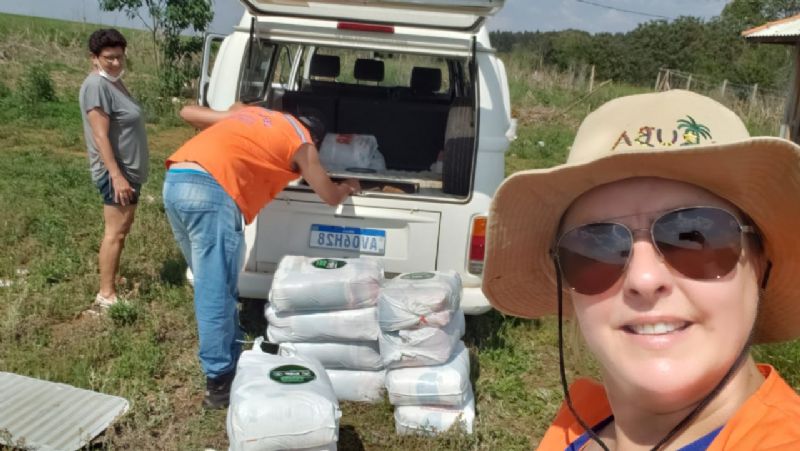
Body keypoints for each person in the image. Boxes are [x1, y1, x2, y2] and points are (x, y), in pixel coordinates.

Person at [483, 90, 800, 450]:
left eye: (695, 236)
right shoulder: (580, 422)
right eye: (594, 247)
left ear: (759, 263)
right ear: (566, 283)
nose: (644, 280)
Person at [163, 102, 360, 409]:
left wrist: (232, 114)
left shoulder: (253, 115)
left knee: (212, 281)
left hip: (177, 180)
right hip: (213, 191)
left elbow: (187, 112)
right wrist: (346, 187)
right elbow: (328, 195)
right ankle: (219, 383)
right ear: (317, 139)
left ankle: (232, 347)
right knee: (213, 291)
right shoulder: (303, 141)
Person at [79, 28, 148, 310]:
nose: (117, 64)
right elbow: (100, 136)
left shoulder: (115, 82)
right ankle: (105, 295)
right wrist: (117, 176)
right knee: (115, 232)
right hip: (116, 174)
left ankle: (111, 279)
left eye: (120, 57)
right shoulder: (96, 86)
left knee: (123, 228)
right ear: (94, 58)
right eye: (109, 59)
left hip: (129, 172)